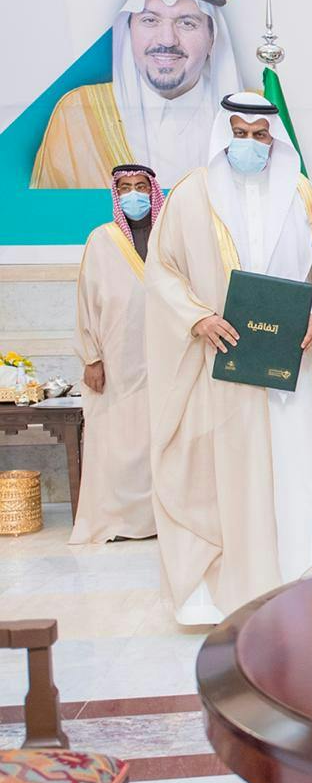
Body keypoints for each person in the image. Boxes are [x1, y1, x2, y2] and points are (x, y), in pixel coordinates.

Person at [144, 92, 312, 625]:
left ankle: (299, 578)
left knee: (295, 469)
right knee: (230, 477)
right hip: (223, 365)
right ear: (224, 135)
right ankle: (229, 591)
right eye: (239, 133)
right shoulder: (191, 195)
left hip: (292, 365)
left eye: (260, 135)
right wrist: (197, 316)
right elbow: (162, 271)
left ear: (274, 138)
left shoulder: (302, 194)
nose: (250, 144)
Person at [31, 0, 242, 190]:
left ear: (212, 38)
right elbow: (49, 208)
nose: (167, 40)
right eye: (150, 20)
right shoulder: (79, 111)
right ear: (129, 31)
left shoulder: (251, 115)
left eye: (187, 23)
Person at [68, 165, 166, 544]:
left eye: (141, 186)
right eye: (125, 188)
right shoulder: (101, 240)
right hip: (117, 356)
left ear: (153, 191)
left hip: (166, 355)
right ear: (115, 194)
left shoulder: (169, 237)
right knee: (120, 438)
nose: (134, 194)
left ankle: (162, 519)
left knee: (161, 436)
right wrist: (91, 357)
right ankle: (120, 520)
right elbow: (87, 300)